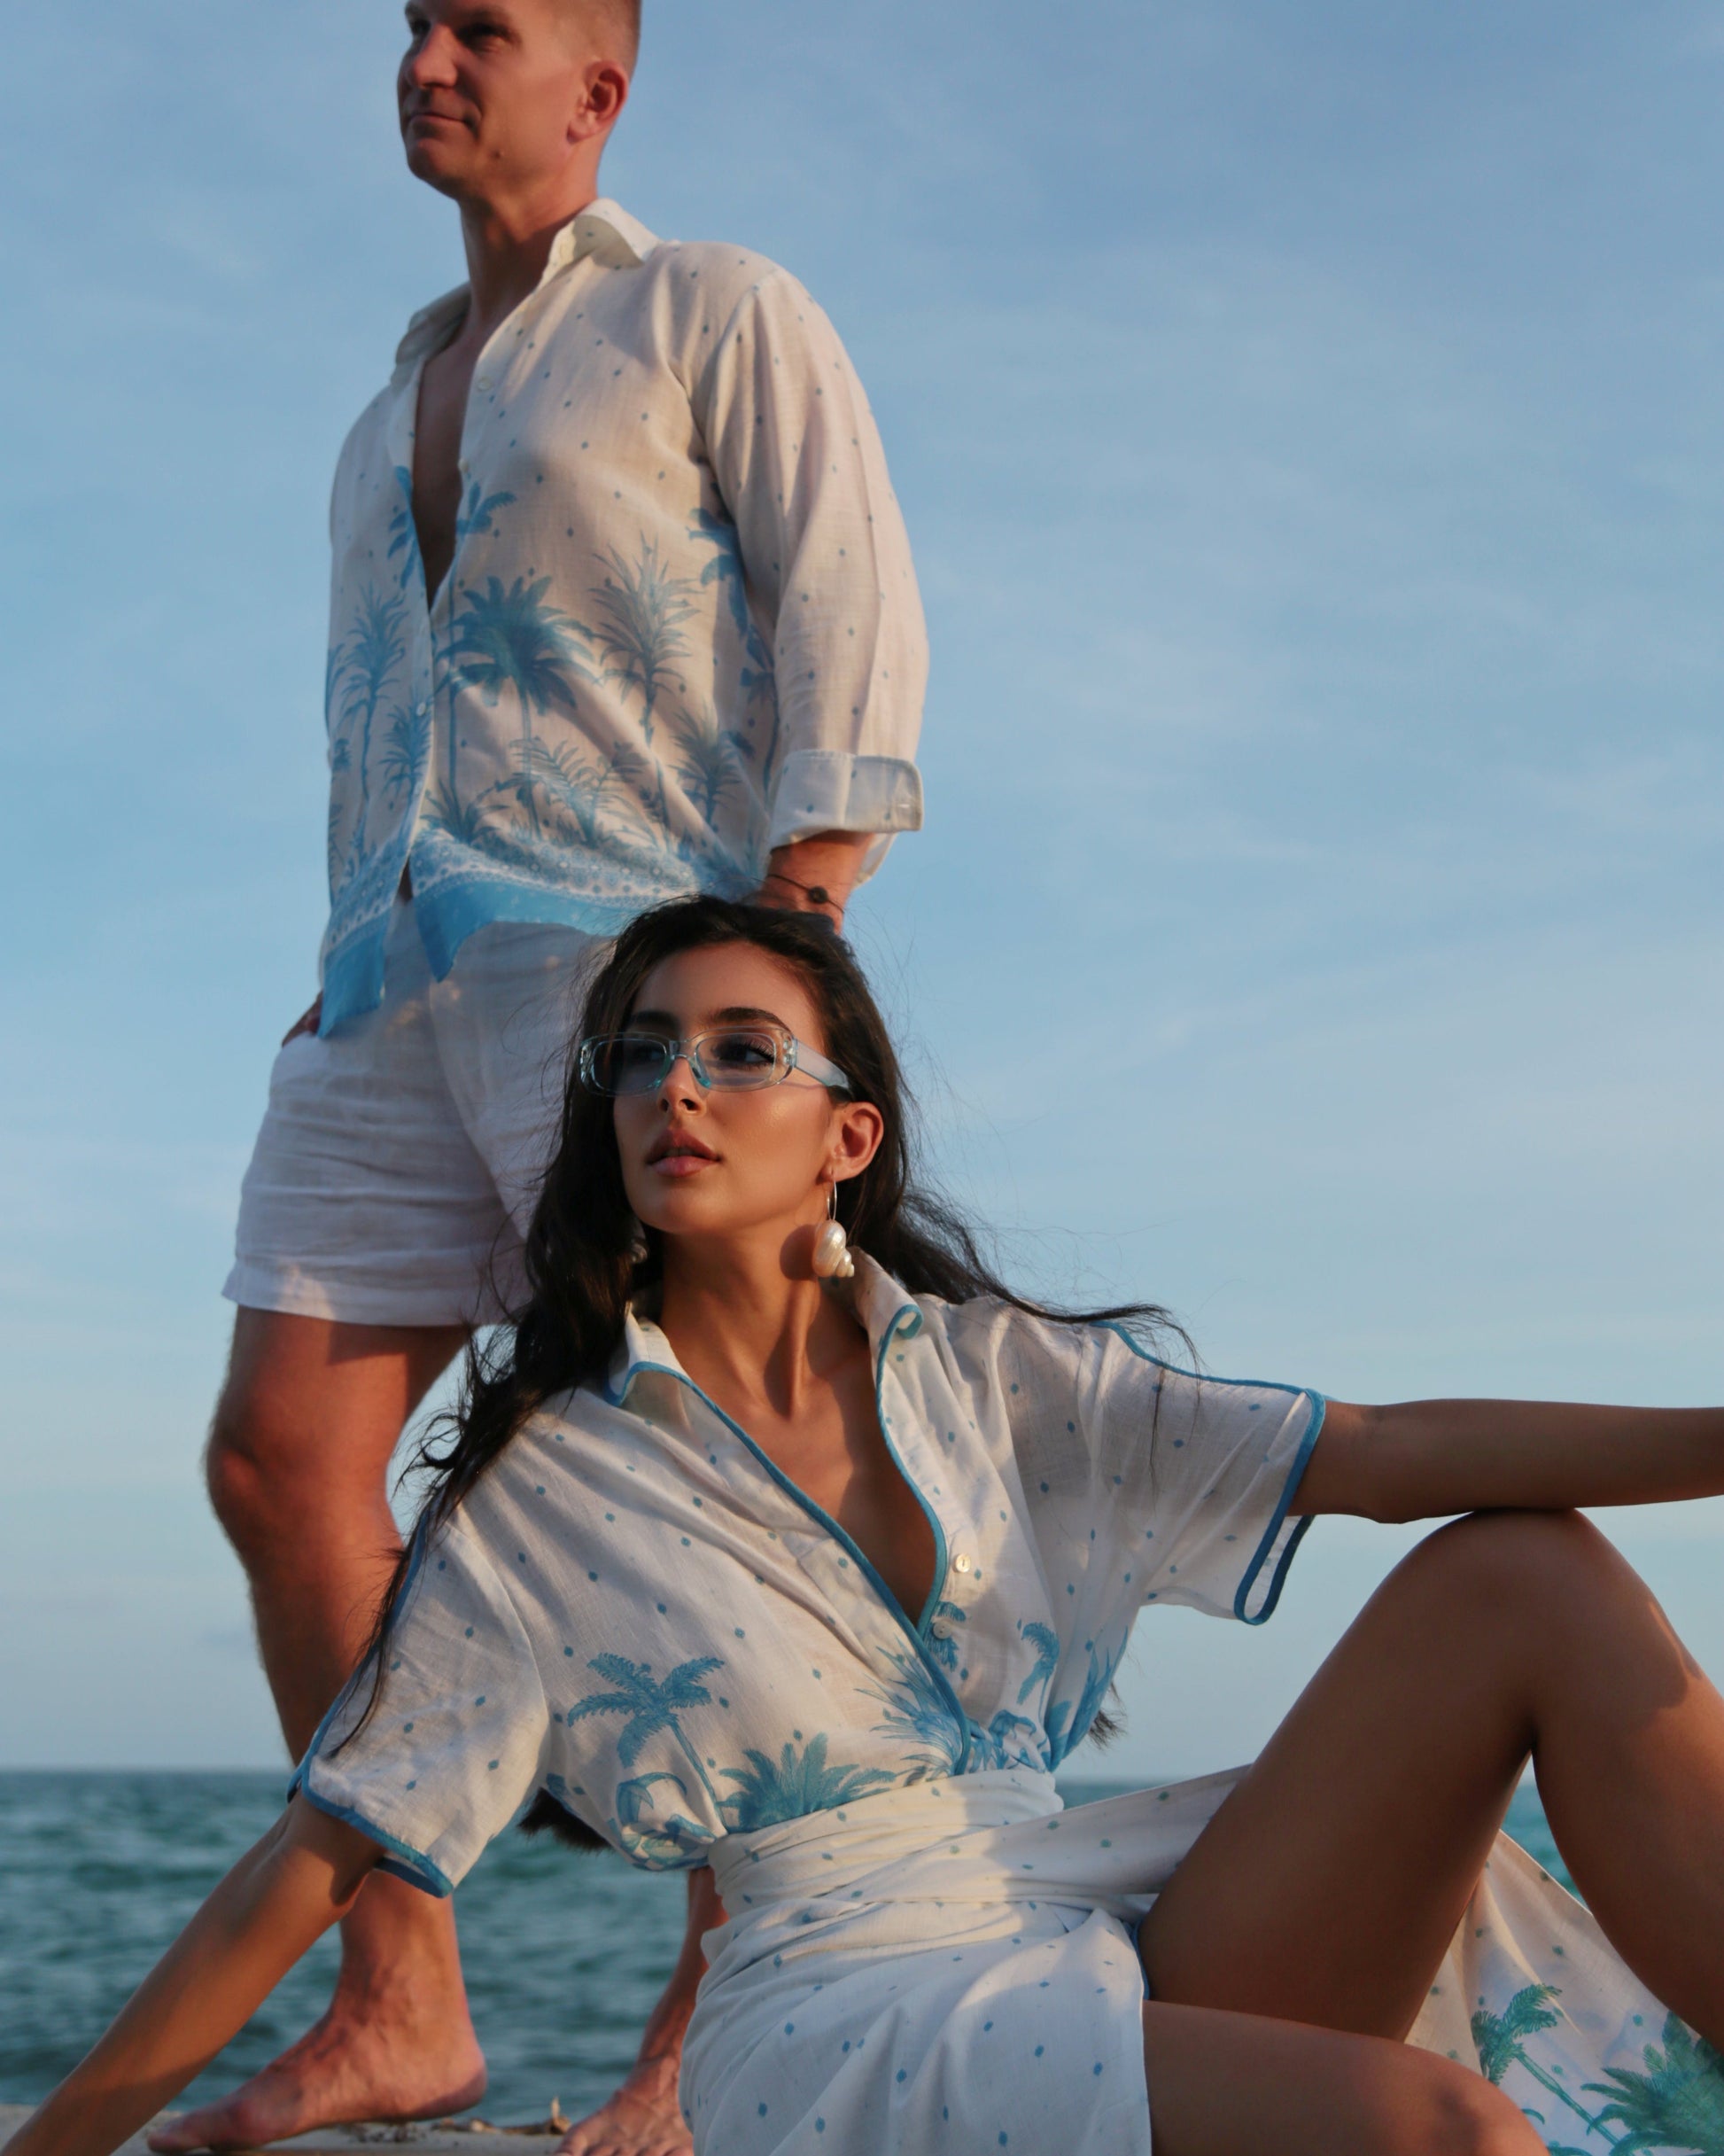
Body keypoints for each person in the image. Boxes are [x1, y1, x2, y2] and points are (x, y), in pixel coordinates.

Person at [21, 895, 1724, 2156]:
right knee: (1443, 2134)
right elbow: (323, 1844)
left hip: (1071, 1902)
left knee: (1521, 1571)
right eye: (639, 1057)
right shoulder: (552, 1486)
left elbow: (1384, 1448)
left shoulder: (995, 1383)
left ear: (847, 1136)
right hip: (842, 2010)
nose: (672, 1085)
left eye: (736, 1051)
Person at [187, 0, 928, 2142]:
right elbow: (376, 715)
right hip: (383, 977)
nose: (425, 57)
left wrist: (791, 915)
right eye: (412, 24)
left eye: (479, 28)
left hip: (629, 960)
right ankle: (402, 1995)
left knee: (696, 1482)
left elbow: (846, 589)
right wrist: (342, 945)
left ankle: (709, 2056)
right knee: (280, 1462)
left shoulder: (710, 311)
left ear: (595, 89)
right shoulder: (380, 412)